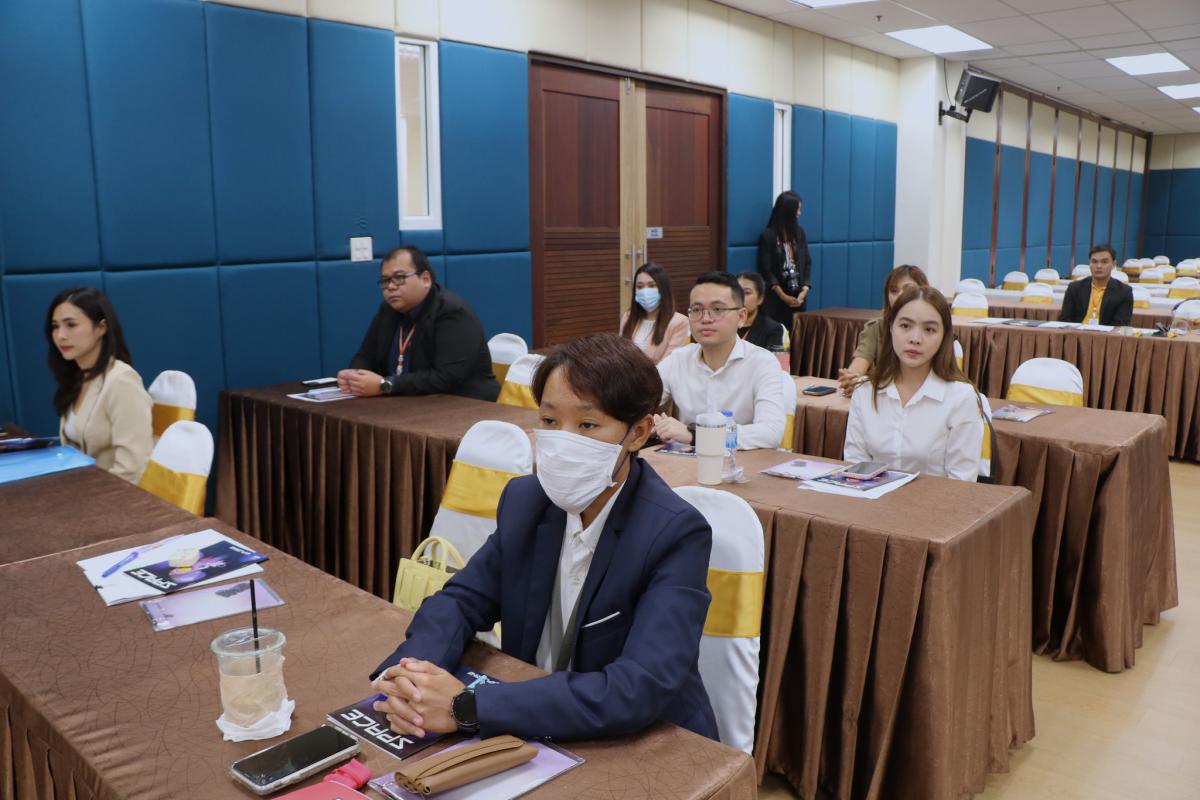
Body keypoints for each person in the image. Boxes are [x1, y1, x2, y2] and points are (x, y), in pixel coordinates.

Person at [369, 334, 718, 742]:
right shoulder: (527, 500)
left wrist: (468, 707)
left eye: (587, 425)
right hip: (533, 718)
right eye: (550, 422)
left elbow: (638, 686)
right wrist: (412, 675)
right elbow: (460, 600)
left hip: (643, 742)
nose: (563, 441)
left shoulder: (675, 532)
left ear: (638, 433)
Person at [843, 286, 985, 482]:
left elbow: (961, 482)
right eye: (905, 326)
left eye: (929, 330)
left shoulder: (961, 397)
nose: (915, 339)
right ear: (890, 327)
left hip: (934, 501)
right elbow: (855, 468)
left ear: (944, 336)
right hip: (871, 499)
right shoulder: (865, 390)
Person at [339, 246, 499, 401]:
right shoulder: (388, 310)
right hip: (407, 402)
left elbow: (445, 378)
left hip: (465, 405)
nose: (391, 287)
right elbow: (366, 355)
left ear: (425, 279)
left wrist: (386, 385)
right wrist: (355, 375)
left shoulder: (452, 312)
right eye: (385, 281)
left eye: (399, 278)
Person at [654, 272, 786, 450]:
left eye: (717, 310)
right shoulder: (678, 359)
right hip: (687, 462)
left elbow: (771, 433)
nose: (706, 319)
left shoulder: (762, 362)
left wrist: (696, 435)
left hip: (743, 463)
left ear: (741, 317)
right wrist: (650, 423)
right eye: (697, 310)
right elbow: (637, 400)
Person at [46, 287, 153, 483]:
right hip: (80, 489)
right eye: (55, 326)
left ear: (101, 328)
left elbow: (133, 469)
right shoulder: (77, 377)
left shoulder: (122, 380)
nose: (60, 335)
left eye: (71, 324)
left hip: (114, 495)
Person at [837, 265, 929, 396]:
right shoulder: (876, 327)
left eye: (908, 289)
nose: (899, 296)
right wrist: (851, 379)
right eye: (894, 291)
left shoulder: (933, 328)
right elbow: (859, 364)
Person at [756, 190, 812, 327]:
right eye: (797, 209)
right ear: (788, 211)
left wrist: (805, 289)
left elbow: (807, 262)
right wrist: (783, 296)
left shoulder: (800, 233)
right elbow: (766, 270)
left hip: (798, 299)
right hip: (776, 301)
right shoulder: (768, 236)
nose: (799, 213)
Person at [618, 262, 689, 364]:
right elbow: (620, 355)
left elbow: (670, 364)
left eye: (652, 286)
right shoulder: (628, 316)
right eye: (640, 286)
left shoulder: (680, 322)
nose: (645, 291)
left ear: (663, 289)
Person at [1059, 244, 1133, 326]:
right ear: (1089, 263)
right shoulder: (1074, 288)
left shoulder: (1124, 292)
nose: (1098, 266)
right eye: (1094, 262)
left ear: (1113, 264)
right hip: (1076, 332)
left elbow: (1120, 324)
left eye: (1104, 262)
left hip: (1106, 333)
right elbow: (1065, 319)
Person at [736, 272, 788, 351]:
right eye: (737, 292)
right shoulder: (723, 325)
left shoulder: (774, 329)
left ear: (760, 299)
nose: (741, 297)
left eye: (747, 293)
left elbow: (776, 358)